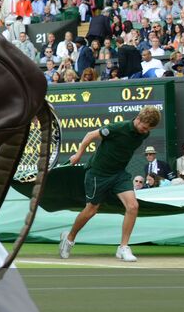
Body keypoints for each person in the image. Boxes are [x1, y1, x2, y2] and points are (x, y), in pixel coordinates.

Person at [61, 106, 163, 262]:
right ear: (138, 119)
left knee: (133, 206)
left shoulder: (144, 133)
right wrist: (79, 154)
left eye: (148, 129)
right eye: (144, 127)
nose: (145, 131)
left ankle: (123, 247)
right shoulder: (118, 128)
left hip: (119, 174)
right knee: (91, 210)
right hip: (98, 173)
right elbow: (90, 135)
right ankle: (69, 238)